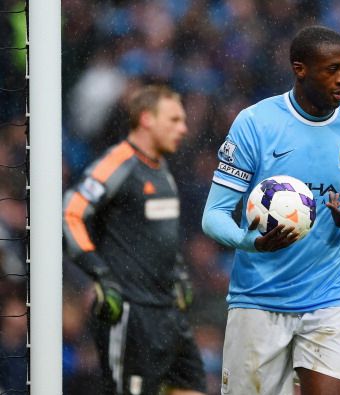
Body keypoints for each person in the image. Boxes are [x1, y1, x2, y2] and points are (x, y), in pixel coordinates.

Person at [201, 25, 340, 395]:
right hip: (258, 299)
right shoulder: (256, 124)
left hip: (330, 298)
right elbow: (213, 215)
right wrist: (251, 242)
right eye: (331, 70)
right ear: (299, 69)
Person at [63, 85, 207, 395]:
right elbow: (70, 213)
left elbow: (158, 235)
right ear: (146, 119)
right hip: (130, 313)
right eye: (174, 120)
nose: (183, 128)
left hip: (168, 311)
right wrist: (100, 274)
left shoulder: (161, 168)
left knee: (192, 387)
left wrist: (179, 270)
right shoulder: (118, 163)